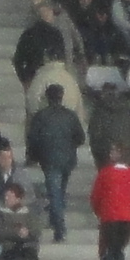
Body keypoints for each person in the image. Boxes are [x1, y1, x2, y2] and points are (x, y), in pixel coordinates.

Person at [25, 84, 84, 243]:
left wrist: (33, 156)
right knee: (59, 192)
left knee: (55, 194)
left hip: (49, 159)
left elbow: (33, 139)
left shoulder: (41, 116)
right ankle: (55, 220)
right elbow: (80, 137)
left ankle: (59, 228)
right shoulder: (70, 115)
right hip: (67, 160)